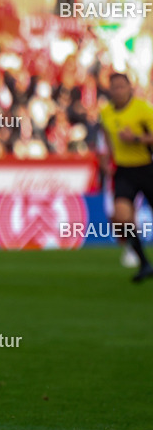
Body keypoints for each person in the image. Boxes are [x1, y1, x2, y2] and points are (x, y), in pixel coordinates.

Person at [98, 72, 153, 282]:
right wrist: (106, 162)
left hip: (147, 167)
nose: (118, 91)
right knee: (121, 218)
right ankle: (144, 263)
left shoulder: (143, 109)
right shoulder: (106, 113)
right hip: (124, 170)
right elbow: (105, 139)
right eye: (115, 87)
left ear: (130, 88)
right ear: (109, 90)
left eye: (122, 86)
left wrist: (136, 138)